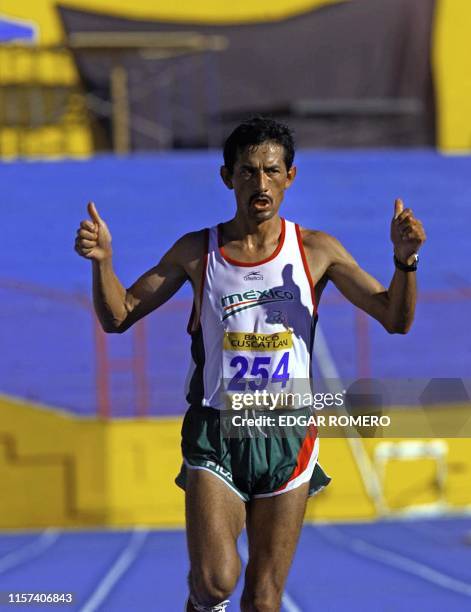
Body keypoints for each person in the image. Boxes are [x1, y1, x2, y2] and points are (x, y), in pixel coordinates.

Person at [74, 117, 426, 612]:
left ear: (290, 177)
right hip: (218, 431)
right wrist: (102, 262)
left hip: (288, 436)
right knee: (215, 582)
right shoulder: (199, 252)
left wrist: (405, 261)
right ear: (227, 177)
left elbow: (395, 317)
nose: (260, 184)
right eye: (247, 172)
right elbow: (120, 316)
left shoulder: (316, 251)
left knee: (263, 600)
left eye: (270, 171)